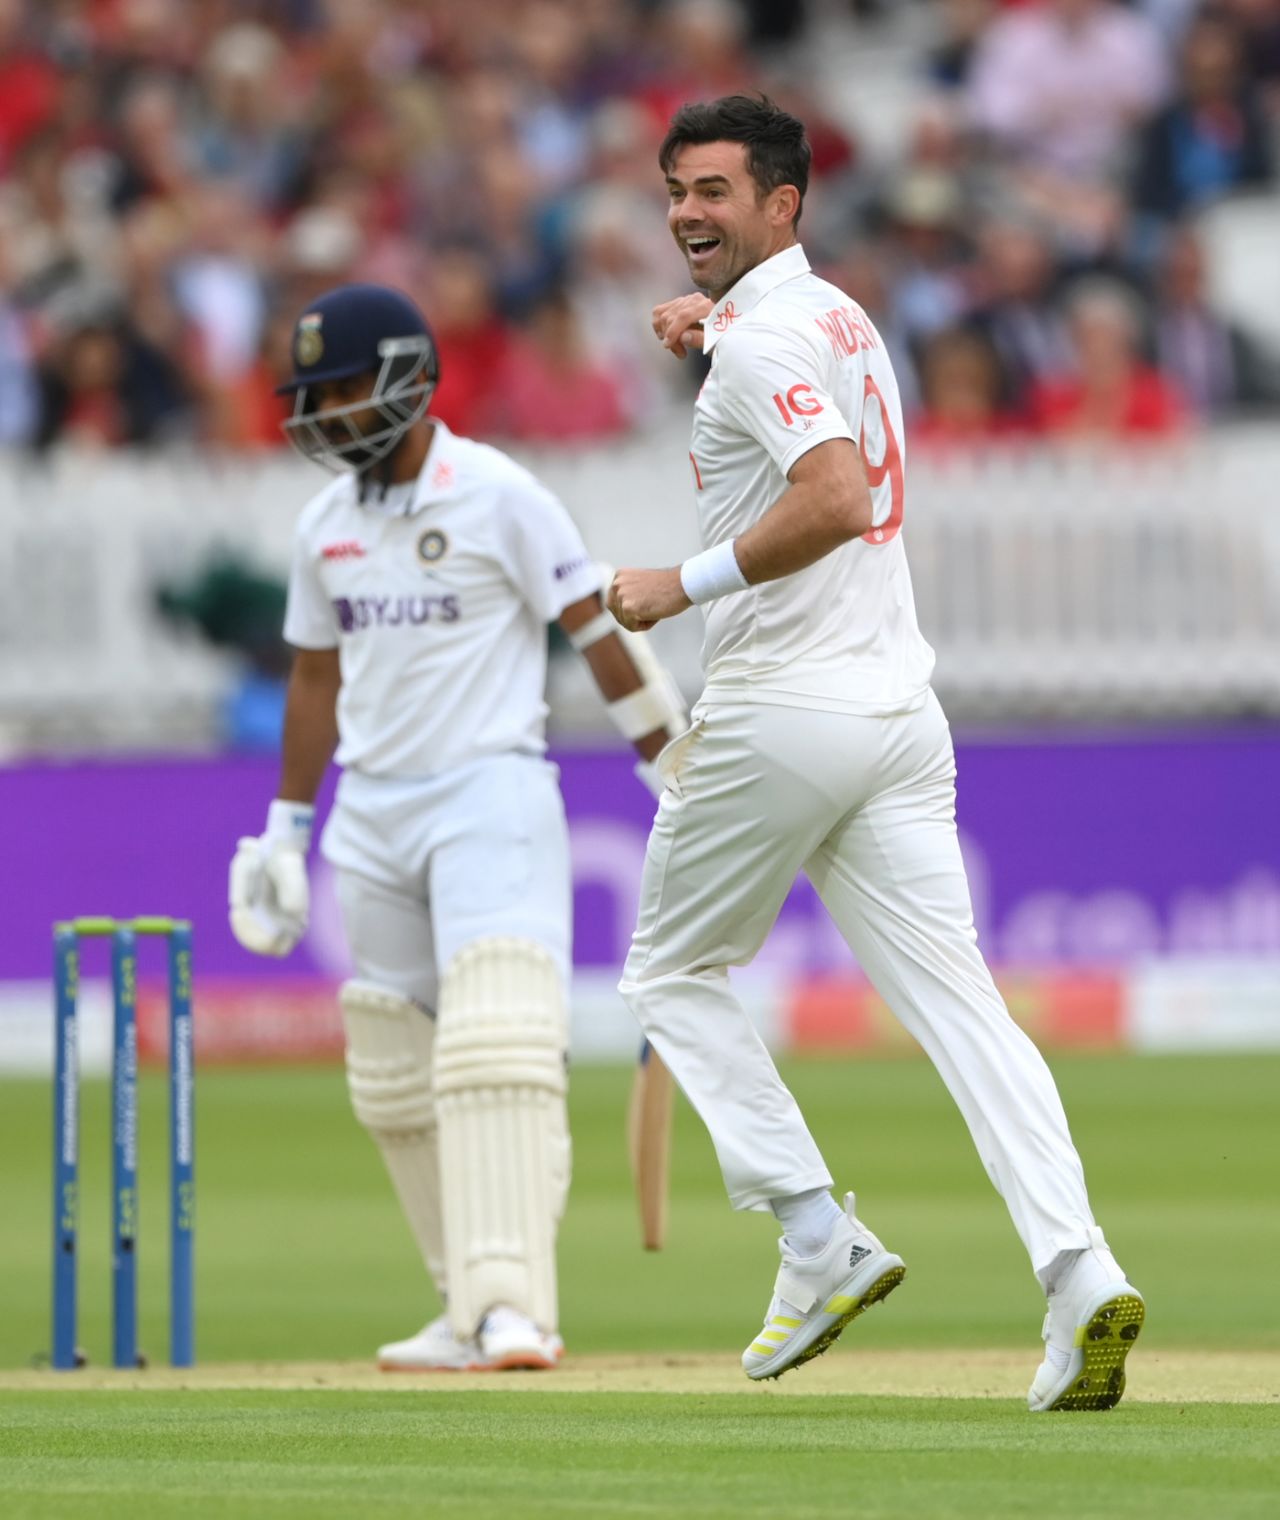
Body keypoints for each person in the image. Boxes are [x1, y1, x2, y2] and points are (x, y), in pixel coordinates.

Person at [607, 95, 1144, 1413]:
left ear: (785, 204)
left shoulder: (763, 340)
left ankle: (815, 1235)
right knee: (962, 1007)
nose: (687, 211)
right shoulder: (831, 314)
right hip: (900, 712)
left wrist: (677, 585)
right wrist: (710, 328)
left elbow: (835, 495)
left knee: (670, 971)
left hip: (785, 705)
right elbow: (787, 387)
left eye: (718, 191)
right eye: (678, 187)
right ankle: (1077, 1273)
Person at [228, 282, 686, 1372]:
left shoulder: (498, 494)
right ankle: (463, 1304)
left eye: (342, 387)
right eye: (312, 394)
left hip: (487, 789)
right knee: (391, 1065)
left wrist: (673, 762)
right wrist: (287, 827)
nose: (326, 412)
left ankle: (513, 1305)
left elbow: (592, 628)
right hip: (372, 808)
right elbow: (312, 676)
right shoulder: (322, 525)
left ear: (408, 376)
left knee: (494, 1046)